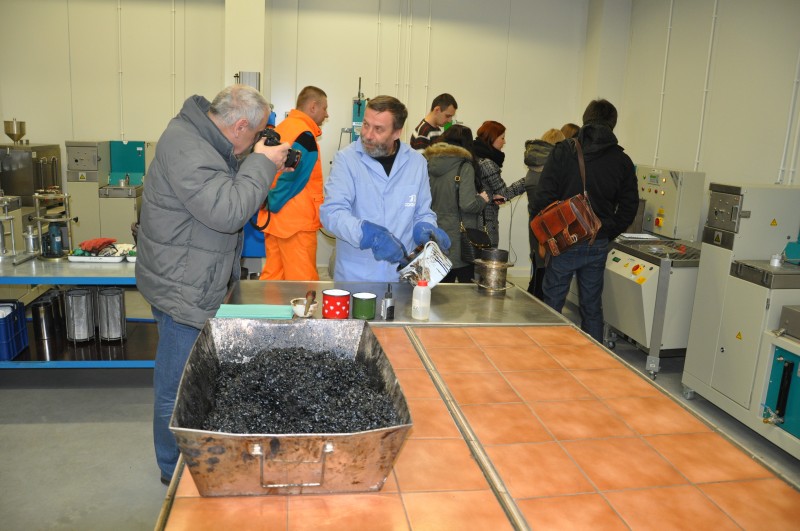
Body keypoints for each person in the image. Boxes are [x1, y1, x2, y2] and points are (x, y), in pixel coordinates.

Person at [135, 84, 290, 485]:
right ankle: (172, 472)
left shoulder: (203, 138)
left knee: (192, 379)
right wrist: (262, 165)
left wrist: (259, 165)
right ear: (239, 127)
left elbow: (222, 188)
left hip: (192, 277)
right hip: (183, 289)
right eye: (255, 134)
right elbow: (227, 210)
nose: (255, 141)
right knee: (177, 388)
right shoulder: (187, 146)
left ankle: (186, 460)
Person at [532, 99, 639, 342]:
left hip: (564, 240)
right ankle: (594, 358)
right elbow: (629, 207)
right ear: (612, 123)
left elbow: (543, 197)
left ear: (585, 119)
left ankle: (544, 353)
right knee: (592, 306)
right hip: (597, 242)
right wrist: (605, 230)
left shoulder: (564, 151)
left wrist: (548, 235)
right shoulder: (622, 160)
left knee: (553, 302)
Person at [320, 95, 450, 282]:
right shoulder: (346, 160)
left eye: (378, 129)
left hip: (402, 276)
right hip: (357, 276)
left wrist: (426, 226)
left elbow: (423, 212)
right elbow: (331, 213)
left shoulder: (416, 163)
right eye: (366, 125)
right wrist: (367, 235)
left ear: (397, 133)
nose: (367, 135)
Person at [257, 86, 328, 280]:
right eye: (324, 108)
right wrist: (273, 202)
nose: (326, 114)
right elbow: (293, 178)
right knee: (302, 284)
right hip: (295, 223)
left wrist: (267, 202)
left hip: (274, 220)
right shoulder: (305, 135)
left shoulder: (281, 128)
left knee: (274, 279)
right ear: (313, 106)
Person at [423, 125, 490, 283]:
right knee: (467, 288)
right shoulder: (464, 167)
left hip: (435, 232)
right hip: (460, 238)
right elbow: (467, 204)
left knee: (441, 286)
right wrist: (482, 200)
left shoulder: (428, 164)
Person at [524, 128, 566, 298]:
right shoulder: (551, 169)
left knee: (539, 269)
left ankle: (532, 301)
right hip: (547, 227)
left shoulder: (534, 165)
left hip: (535, 224)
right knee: (544, 275)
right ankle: (537, 306)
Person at [473, 120, 526, 246]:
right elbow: (504, 194)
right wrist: (526, 181)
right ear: (492, 138)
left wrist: (497, 198)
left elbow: (497, 197)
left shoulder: (475, 157)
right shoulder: (487, 163)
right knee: (488, 257)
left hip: (475, 222)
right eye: (502, 138)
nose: (504, 142)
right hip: (485, 224)